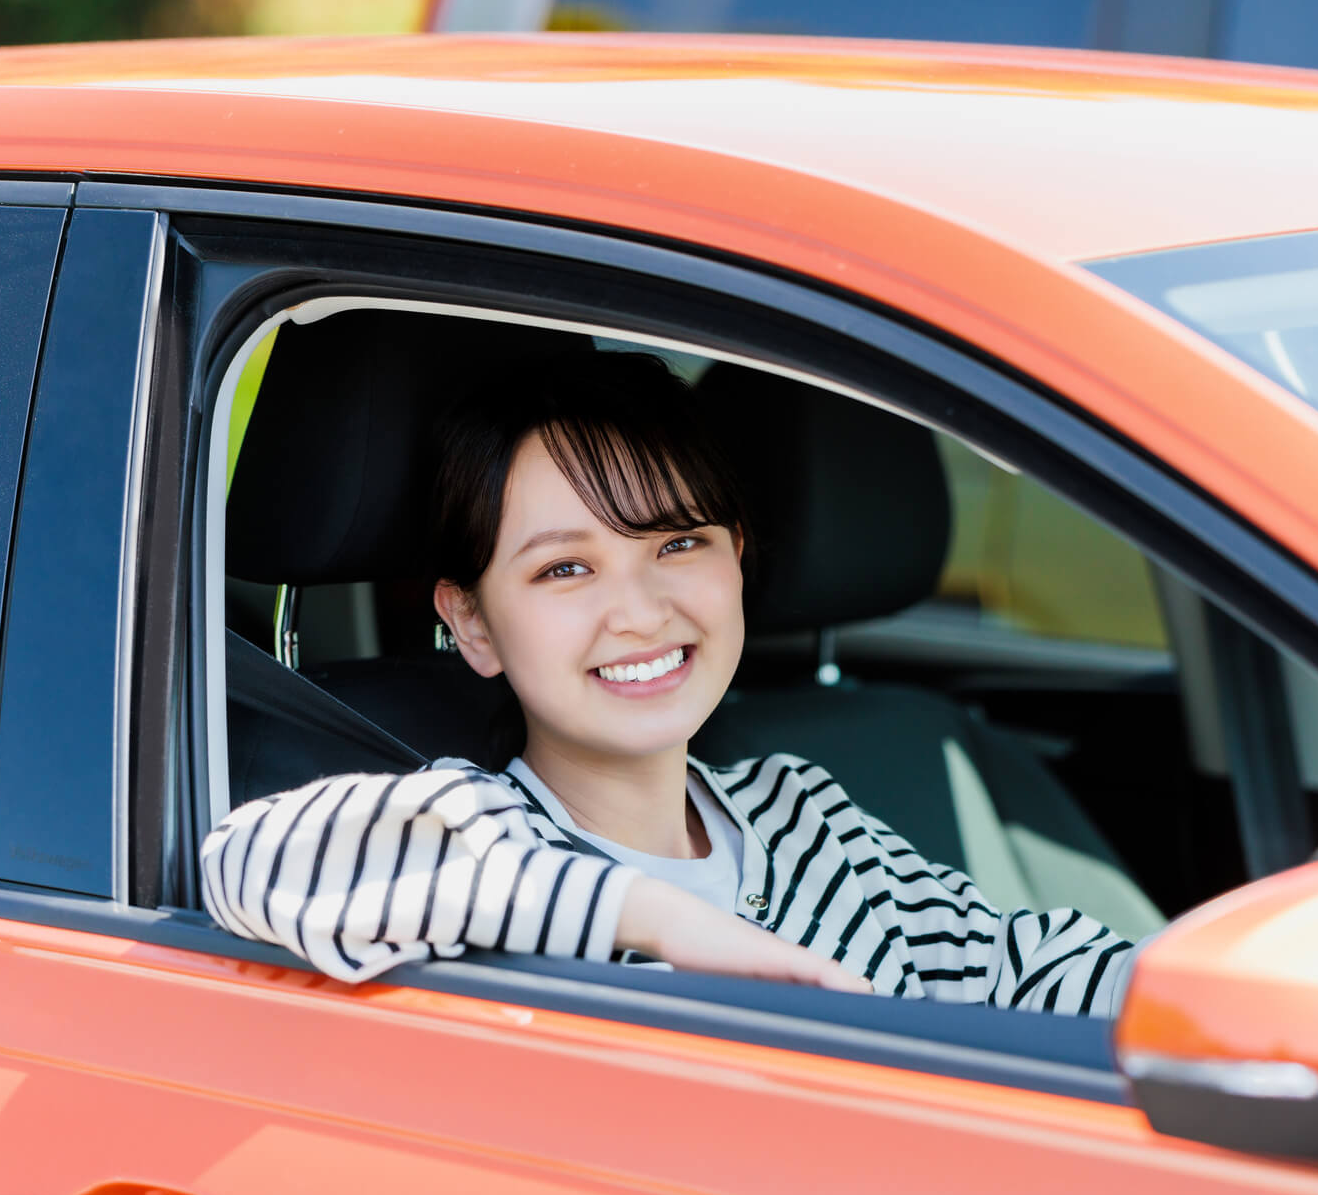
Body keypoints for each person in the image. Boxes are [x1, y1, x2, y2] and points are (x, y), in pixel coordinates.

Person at [201, 350, 1138, 1013]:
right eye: (565, 568)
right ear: (473, 623)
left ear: (739, 559)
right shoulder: (477, 842)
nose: (640, 611)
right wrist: (661, 923)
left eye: (677, 542)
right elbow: (251, 860)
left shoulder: (802, 816)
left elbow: (1020, 966)